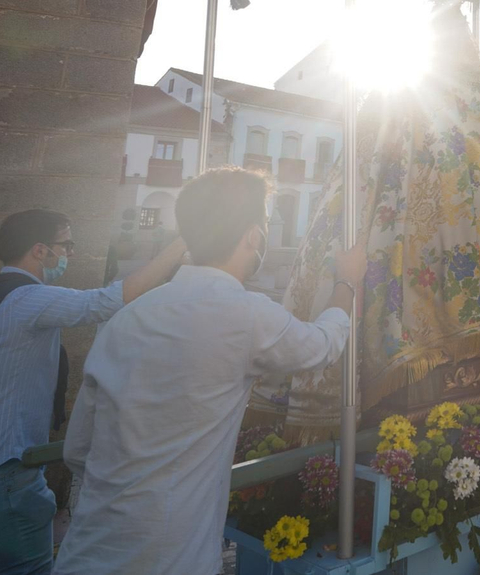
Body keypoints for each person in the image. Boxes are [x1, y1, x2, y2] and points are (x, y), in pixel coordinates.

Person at [55, 168, 364, 574]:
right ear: (254, 236)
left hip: (85, 552)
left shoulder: (124, 320)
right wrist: (347, 281)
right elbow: (322, 345)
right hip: (170, 558)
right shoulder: (245, 314)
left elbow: (77, 449)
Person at [0, 209, 187, 575]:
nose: (69, 254)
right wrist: (183, 242)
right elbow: (105, 301)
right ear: (40, 251)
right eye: (66, 245)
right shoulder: (26, 298)